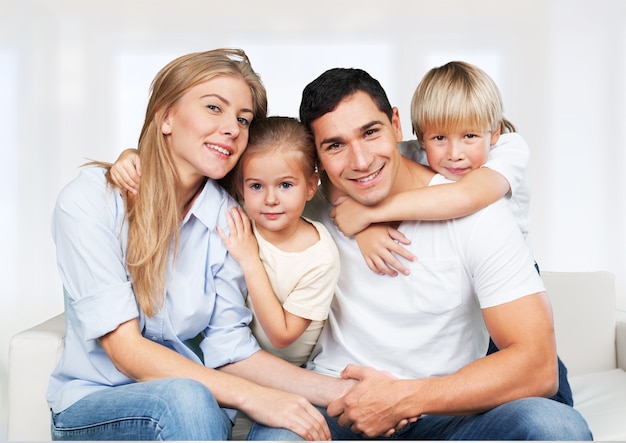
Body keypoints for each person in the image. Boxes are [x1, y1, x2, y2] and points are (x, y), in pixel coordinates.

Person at [46, 48, 352, 441]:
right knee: (185, 398)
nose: (232, 128)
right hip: (95, 406)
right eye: (214, 108)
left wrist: (341, 392)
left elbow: (230, 349)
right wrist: (255, 397)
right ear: (166, 116)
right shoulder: (89, 201)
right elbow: (126, 351)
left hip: (199, 411)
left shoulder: (230, 218)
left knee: (294, 427)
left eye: (242, 120)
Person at [288, 67, 590, 440]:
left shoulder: (476, 204)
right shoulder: (297, 206)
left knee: (554, 426)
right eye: (335, 145)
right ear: (315, 156)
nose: (361, 160)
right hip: (338, 408)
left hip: (444, 411)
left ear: (396, 124)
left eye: (371, 132)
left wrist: (401, 399)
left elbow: (538, 366)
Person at [216, 116, 340, 367]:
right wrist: (131, 156)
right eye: (256, 186)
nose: (270, 199)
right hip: (231, 349)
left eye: (285, 185)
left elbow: (282, 335)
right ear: (241, 187)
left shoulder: (319, 257)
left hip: (285, 370)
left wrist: (250, 260)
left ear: (310, 186)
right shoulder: (239, 217)